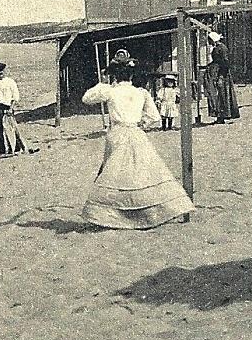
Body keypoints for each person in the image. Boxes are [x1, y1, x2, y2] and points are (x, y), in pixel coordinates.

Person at [80, 53, 195, 229]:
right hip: (135, 132)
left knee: (115, 172)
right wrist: (141, 122)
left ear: (114, 75)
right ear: (132, 75)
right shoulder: (141, 93)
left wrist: (103, 83)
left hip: (117, 133)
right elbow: (155, 116)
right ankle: (143, 212)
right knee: (140, 172)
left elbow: (86, 98)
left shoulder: (110, 91)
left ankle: (116, 214)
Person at [0, 61, 26, 157]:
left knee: (10, 129)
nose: (0, 74)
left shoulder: (10, 82)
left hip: (6, 107)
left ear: (5, 71)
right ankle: (2, 151)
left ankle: (16, 149)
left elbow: (15, 97)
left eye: (1, 72)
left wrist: (11, 108)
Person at [202, 32, 239, 124]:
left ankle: (223, 115)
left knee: (222, 95)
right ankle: (219, 116)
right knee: (217, 96)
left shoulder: (222, 48)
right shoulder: (216, 48)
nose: (208, 42)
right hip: (216, 73)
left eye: (209, 40)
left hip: (221, 74)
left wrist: (221, 77)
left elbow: (225, 63)